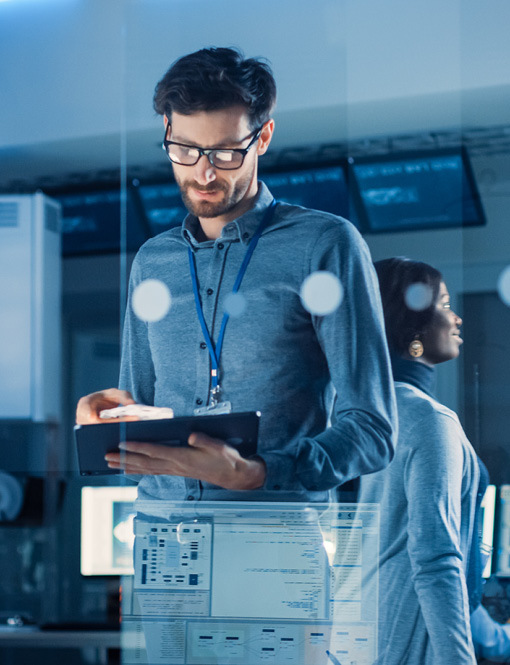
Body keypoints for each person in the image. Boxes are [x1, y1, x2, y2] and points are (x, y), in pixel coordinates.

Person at [76, 47, 397, 503]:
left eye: (226, 152)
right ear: (167, 131)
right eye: (185, 149)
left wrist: (259, 472)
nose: (203, 172)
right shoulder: (152, 261)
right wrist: (108, 420)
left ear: (262, 137)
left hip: (272, 543)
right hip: (163, 541)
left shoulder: (324, 245)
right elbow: (140, 431)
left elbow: (372, 430)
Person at [358, 256, 507, 665]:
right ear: (413, 328)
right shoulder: (429, 421)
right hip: (412, 642)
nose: (456, 319)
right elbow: (437, 561)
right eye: (442, 305)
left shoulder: (366, 414)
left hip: (366, 633)